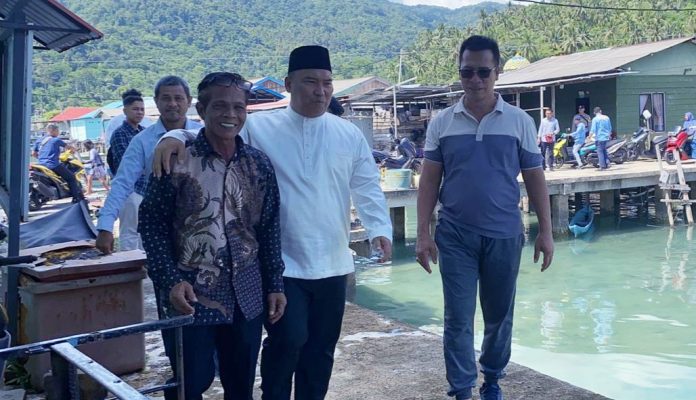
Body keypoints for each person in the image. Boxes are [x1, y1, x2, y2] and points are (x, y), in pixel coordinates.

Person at [153, 45, 393, 400]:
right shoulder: (261, 127)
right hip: (283, 264)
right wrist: (173, 135)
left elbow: (367, 186)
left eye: (327, 83)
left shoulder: (348, 134)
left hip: (334, 261)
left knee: (322, 349)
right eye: (310, 81)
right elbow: (217, 134)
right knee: (288, 340)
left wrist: (379, 230)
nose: (320, 91)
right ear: (289, 84)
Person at [415, 35, 554, 400]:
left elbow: (535, 178)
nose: (475, 80)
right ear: (459, 73)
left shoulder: (519, 122)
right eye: (467, 72)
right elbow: (429, 182)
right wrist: (423, 233)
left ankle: (492, 379)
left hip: (504, 234)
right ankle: (462, 389)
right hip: (454, 234)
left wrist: (546, 232)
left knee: (499, 316)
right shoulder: (443, 122)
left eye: (483, 72)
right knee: (457, 318)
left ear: (497, 72)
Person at [139, 72, 286, 400]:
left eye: (238, 107)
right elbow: (151, 224)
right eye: (219, 106)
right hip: (190, 294)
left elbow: (269, 228)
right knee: (191, 381)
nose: (230, 114)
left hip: (246, 293)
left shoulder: (258, 164)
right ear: (201, 110)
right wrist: (170, 280)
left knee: (240, 384)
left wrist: (275, 283)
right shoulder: (177, 159)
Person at [95, 76, 202, 254]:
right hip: (159, 227)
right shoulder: (142, 141)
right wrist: (105, 226)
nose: (172, 104)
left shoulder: (203, 134)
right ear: (156, 102)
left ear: (189, 101)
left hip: (201, 223)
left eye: (178, 98)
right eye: (166, 98)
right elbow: (122, 182)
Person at [36, 124, 83, 203]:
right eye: (58, 131)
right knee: (71, 178)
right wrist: (74, 150)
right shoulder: (56, 140)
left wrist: (43, 158)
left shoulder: (39, 140)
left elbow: (34, 153)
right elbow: (68, 147)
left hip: (40, 164)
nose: (58, 132)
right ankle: (76, 198)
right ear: (53, 131)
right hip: (52, 164)